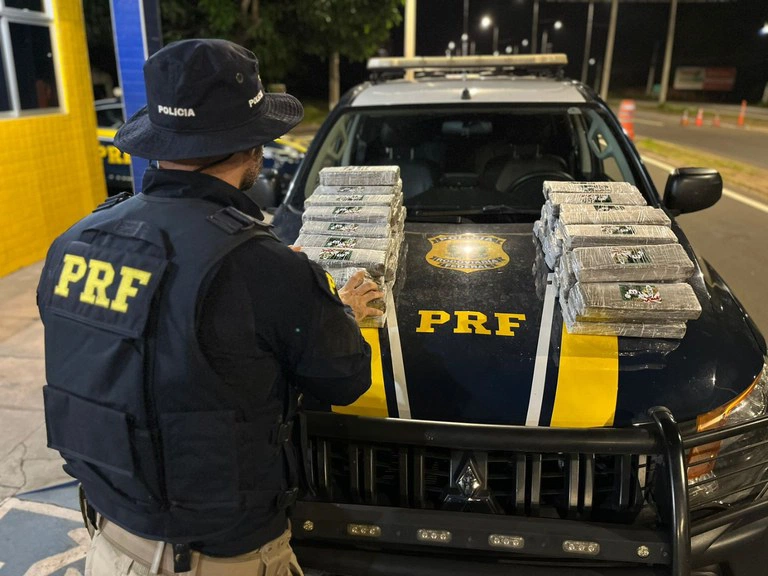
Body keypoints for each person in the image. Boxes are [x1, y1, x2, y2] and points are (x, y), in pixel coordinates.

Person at [37, 39, 382, 576]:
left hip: (110, 549)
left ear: (159, 140)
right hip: (221, 561)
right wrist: (338, 310)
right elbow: (344, 379)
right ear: (252, 149)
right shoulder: (263, 268)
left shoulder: (76, 242)